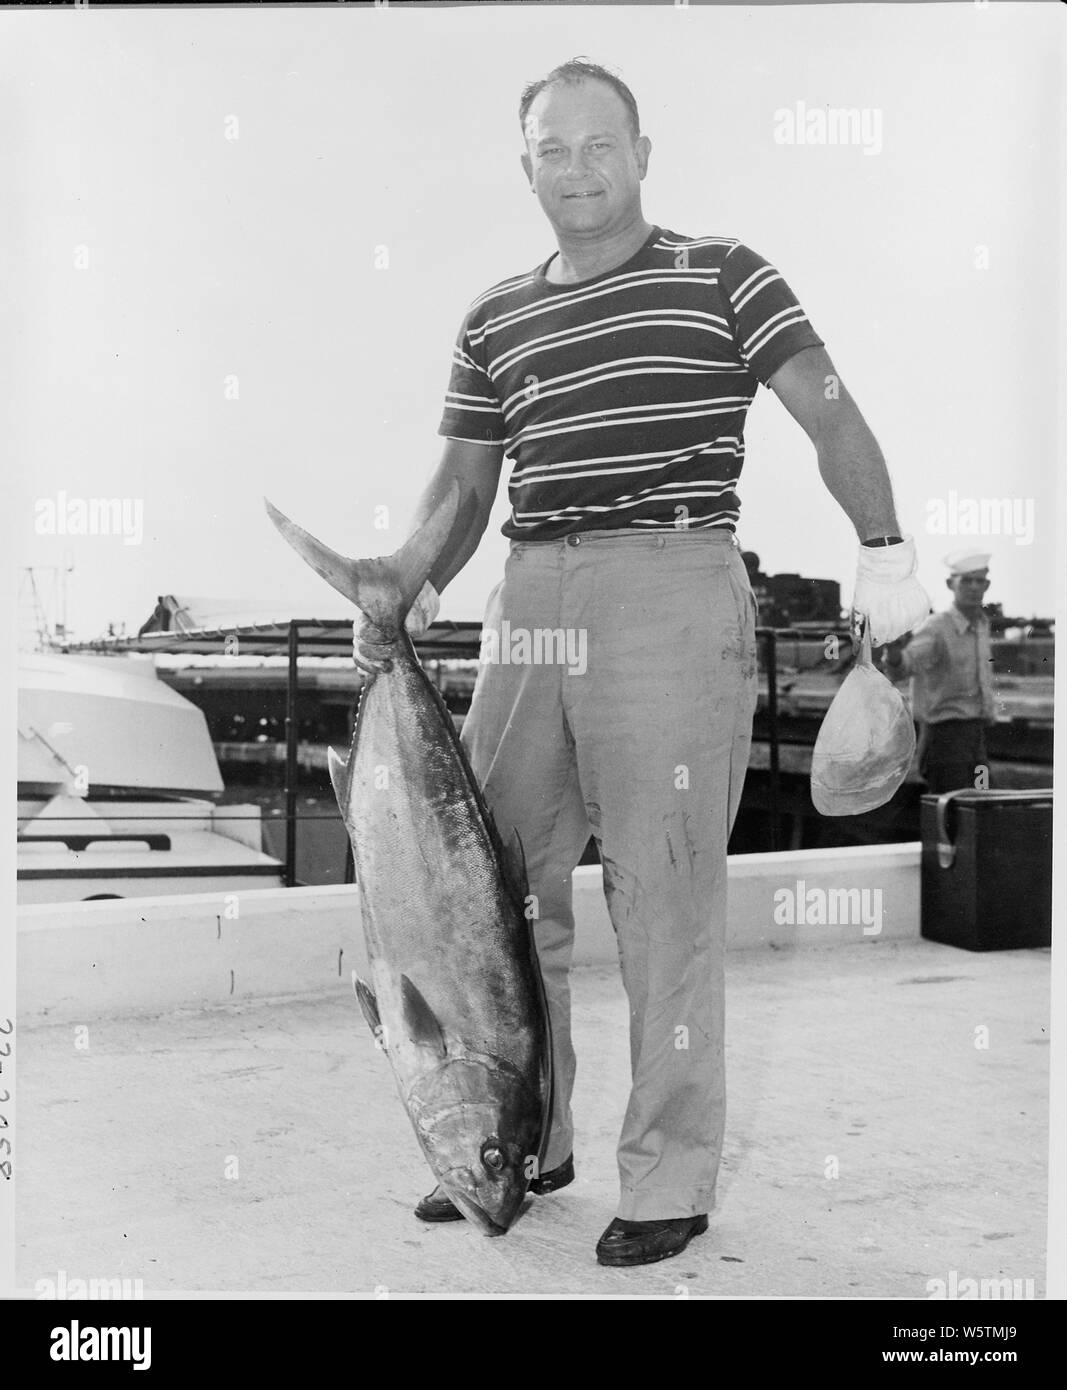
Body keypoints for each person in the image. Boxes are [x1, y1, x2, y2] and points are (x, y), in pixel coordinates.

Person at [352, 57, 930, 1266]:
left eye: (597, 145)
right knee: (494, 893)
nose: (576, 169)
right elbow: (464, 486)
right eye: (551, 151)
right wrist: (403, 571)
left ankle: (667, 1174)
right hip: (529, 594)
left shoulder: (721, 273)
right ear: (525, 168)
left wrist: (882, 556)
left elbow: (827, 409)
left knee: (661, 895)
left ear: (642, 154)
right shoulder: (494, 316)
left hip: (669, 581)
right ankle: (524, 1133)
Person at [882, 550, 996, 794]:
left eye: (980, 581)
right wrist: (893, 651)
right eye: (966, 580)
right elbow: (903, 667)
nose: (974, 587)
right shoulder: (936, 628)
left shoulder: (982, 625)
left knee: (983, 802)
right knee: (953, 812)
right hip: (945, 741)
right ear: (950, 584)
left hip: (975, 739)